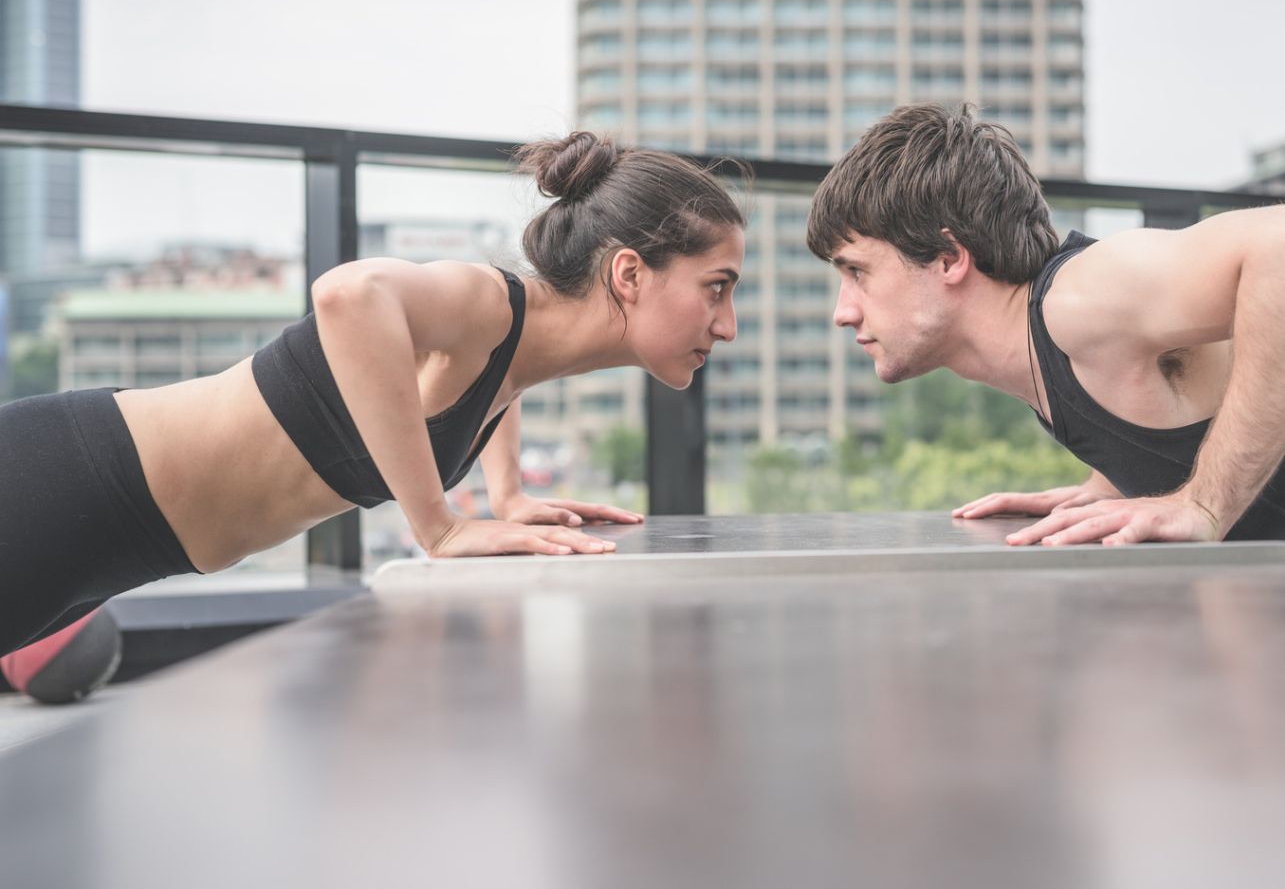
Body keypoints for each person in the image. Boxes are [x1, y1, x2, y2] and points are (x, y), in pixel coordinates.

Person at [806, 103, 1285, 626]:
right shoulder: (1051, 352)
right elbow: (1196, 404)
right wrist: (1125, 481)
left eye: (856, 270)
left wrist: (1203, 503)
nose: (845, 310)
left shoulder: (1078, 300)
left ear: (948, 257)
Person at [0, 132, 745, 657]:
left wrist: (508, 493)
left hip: (125, 540)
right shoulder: (486, 301)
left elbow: (506, 376)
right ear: (629, 275)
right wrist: (440, 526)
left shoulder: (520, 341)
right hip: (70, 484)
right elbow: (350, 295)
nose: (729, 325)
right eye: (717, 288)